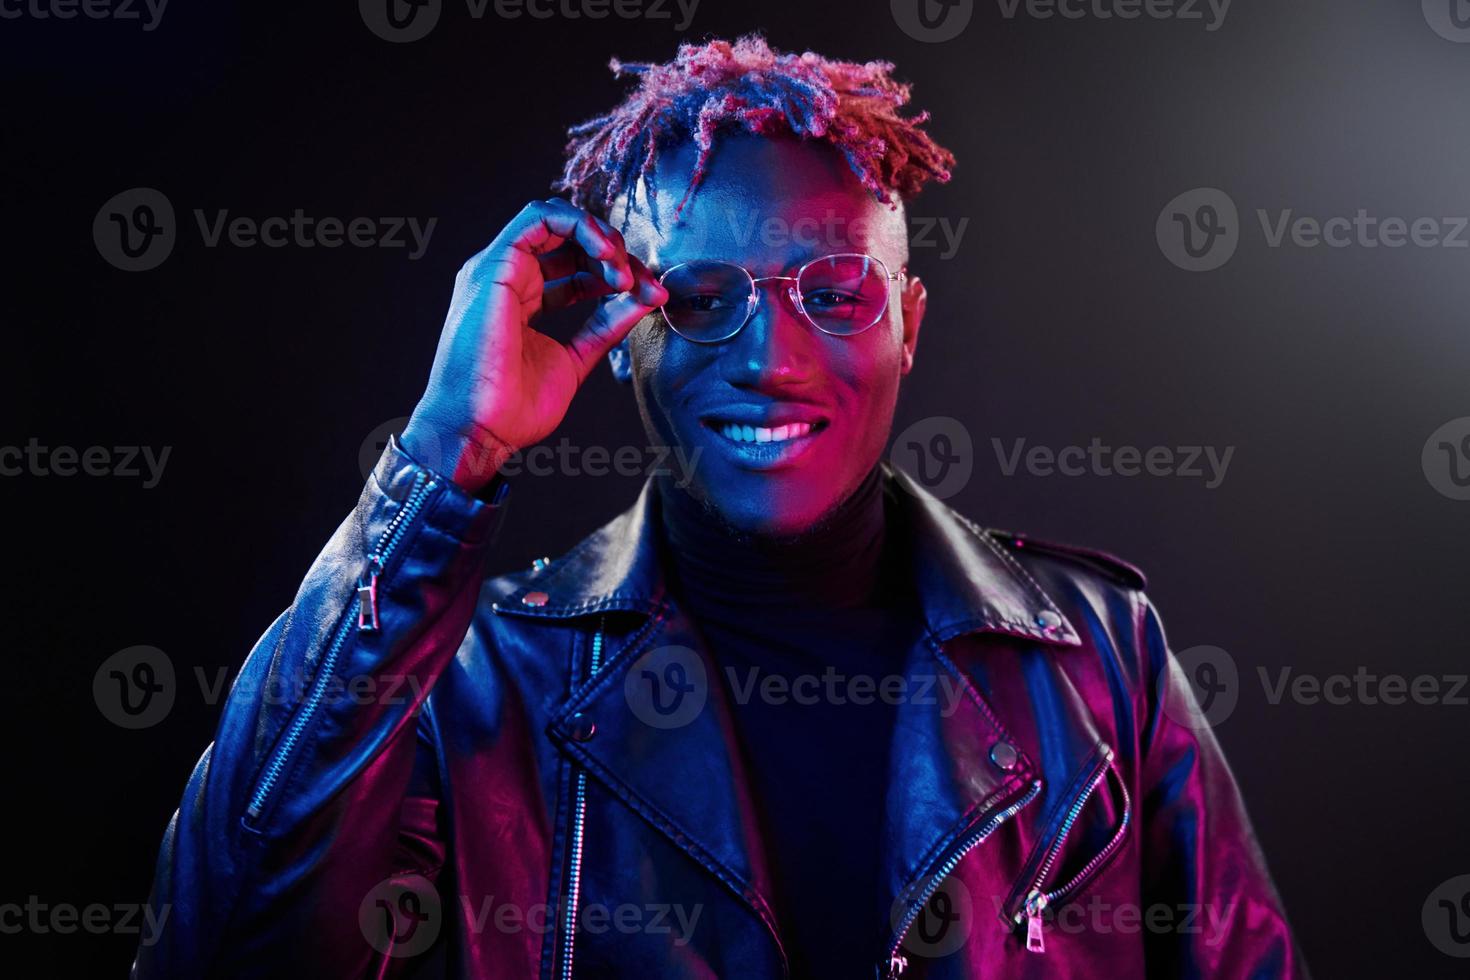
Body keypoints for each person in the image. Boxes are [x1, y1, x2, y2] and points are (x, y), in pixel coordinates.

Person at [134, 35, 1307, 979]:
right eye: (700, 298)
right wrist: (447, 454)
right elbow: (221, 942)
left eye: (835, 293)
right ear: (623, 331)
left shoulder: (1101, 656)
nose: (772, 359)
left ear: (908, 325)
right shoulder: (475, 685)